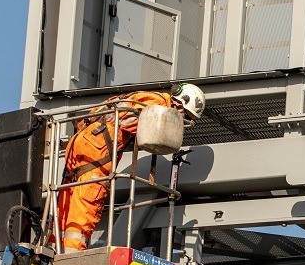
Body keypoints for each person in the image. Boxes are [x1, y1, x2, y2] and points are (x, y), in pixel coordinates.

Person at [56, 84, 205, 251]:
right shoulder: (158, 105)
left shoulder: (146, 97)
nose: (184, 121)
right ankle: (72, 254)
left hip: (84, 142)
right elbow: (132, 124)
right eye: (186, 115)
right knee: (88, 200)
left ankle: (55, 247)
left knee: (68, 200)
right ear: (180, 103)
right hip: (98, 149)